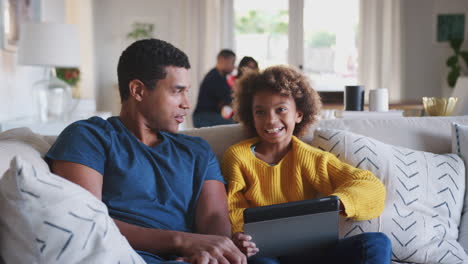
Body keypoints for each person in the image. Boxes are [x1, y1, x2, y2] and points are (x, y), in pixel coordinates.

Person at [45, 39, 252, 264]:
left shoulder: (197, 151)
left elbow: (214, 217)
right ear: (138, 90)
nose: (186, 104)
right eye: (177, 91)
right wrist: (183, 241)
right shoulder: (89, 138)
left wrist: (221, 247)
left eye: (187, 92)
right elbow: (86, 221)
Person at [221, 65, 392, 264]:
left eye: (281, 109)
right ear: (251, 116)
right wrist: (241, 236)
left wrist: (339, 203)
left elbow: (370, 186)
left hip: (311, 251)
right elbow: (233, 208)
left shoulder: (311, 158)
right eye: (260, 112)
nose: (271, 120)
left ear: (299, 114)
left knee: (377, 243)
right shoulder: (237, 157)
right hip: (263, 252)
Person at [193, 49, 237, 128]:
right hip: (204, 117)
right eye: (232, 62)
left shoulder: (220, 77)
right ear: (223, 60)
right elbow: (230, 99)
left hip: (208, 116)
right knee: (236, 126)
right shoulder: (214, 77)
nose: (234, 66)